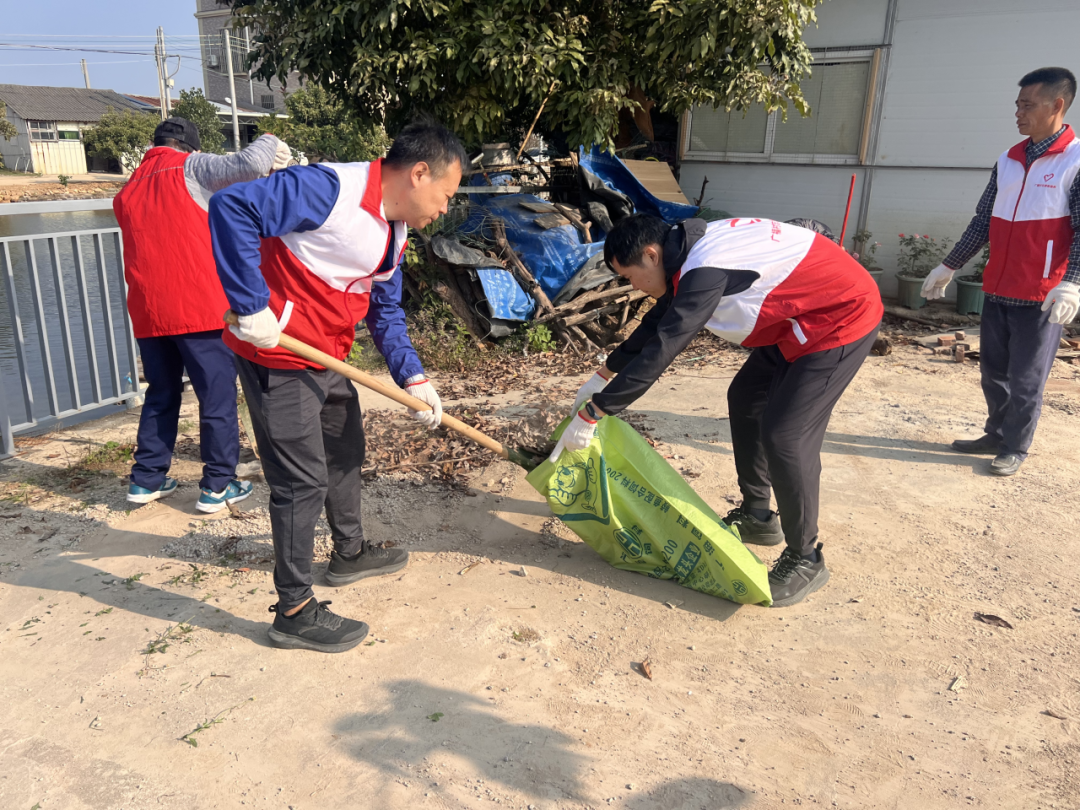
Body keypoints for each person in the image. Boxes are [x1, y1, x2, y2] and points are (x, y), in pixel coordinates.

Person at [208, 120, 465, 653]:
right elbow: (232, 207)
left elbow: (384, 310)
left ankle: (349, 553)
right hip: (278, 356)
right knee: (300, 481)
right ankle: (293, 611)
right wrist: (251, 303)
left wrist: (413, 376)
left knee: (346, 452)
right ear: (419, 174)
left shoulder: (395, 232)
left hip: (329, 357)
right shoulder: (329, 188)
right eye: (446, 195)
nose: (444, 209)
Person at [555, 214, 883, 608]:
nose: (633, 286)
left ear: (651, 254)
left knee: (786, 436)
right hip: (796, 317)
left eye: (629, 277)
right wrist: (603, 374)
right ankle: (757, 517)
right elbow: (657, 322)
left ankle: (806, 558)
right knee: (745, 397)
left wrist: (596, 411)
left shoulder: (705, 268)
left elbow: (667, 345)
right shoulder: (685, 253)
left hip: (840, 317)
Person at [113, 117, 292, 511]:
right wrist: (269, 138)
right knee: (216, 398)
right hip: (199, 311)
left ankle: (146, 480)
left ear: (154, 144)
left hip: (149, 313)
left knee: (161, 394)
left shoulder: (128, 188)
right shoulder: (191, 167)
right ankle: (218, 485)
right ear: (191, 148)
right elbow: (249, 164)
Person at [921, 67, 1080, 477]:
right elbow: (983, 221)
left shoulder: (1075, 161)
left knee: (1026, 379)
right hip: (998, 287)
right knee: (993, 372)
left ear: (1057, 105)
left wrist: (1072, 283)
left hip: (1041, 294)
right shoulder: (1007, 160)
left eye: (1027, 105)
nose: (1018, 113)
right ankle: (995, 433)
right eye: (1017, 105)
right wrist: (949, 264)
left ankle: (1015, 446)